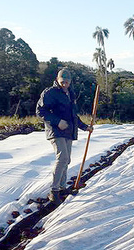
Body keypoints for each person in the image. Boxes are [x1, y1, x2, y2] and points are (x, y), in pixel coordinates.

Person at [36, 68, 93, 204]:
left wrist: (85, 127)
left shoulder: (70, 94)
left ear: (70, 82)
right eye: (62, 82)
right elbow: (40, 111)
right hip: (56, 131)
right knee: (62, 158)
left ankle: (62, 188)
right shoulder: (50, 93)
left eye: (67, 82)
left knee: (66, 160)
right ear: (57, 80)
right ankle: (54, 191)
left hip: (68, 131)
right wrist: (58, 121)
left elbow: (73, 116)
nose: (65, 84)